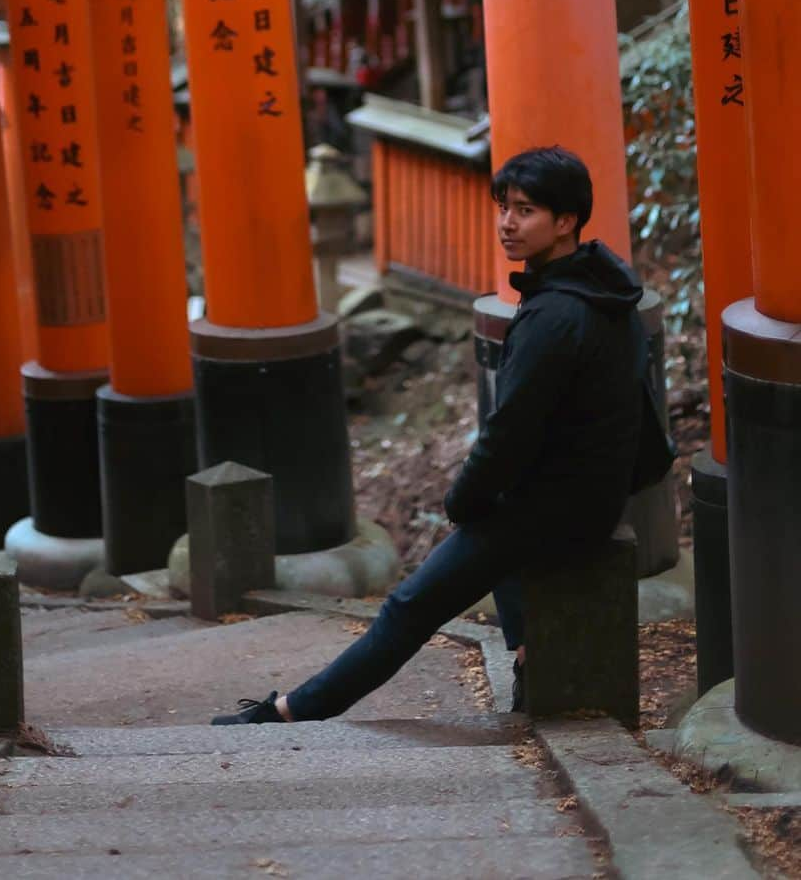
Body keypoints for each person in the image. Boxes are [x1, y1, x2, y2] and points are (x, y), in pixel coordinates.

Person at [212, 145, 646, 725]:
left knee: (409, 606)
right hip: (586, 490)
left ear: (565, 222)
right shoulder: (604, 288)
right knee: (497, 547)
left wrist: (463, 501)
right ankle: (529, 654)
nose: (507, 224)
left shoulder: (554, 317)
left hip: (557, 504)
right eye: (503, 208)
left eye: (525, 211)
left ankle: (291, 712)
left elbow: (507, 432)